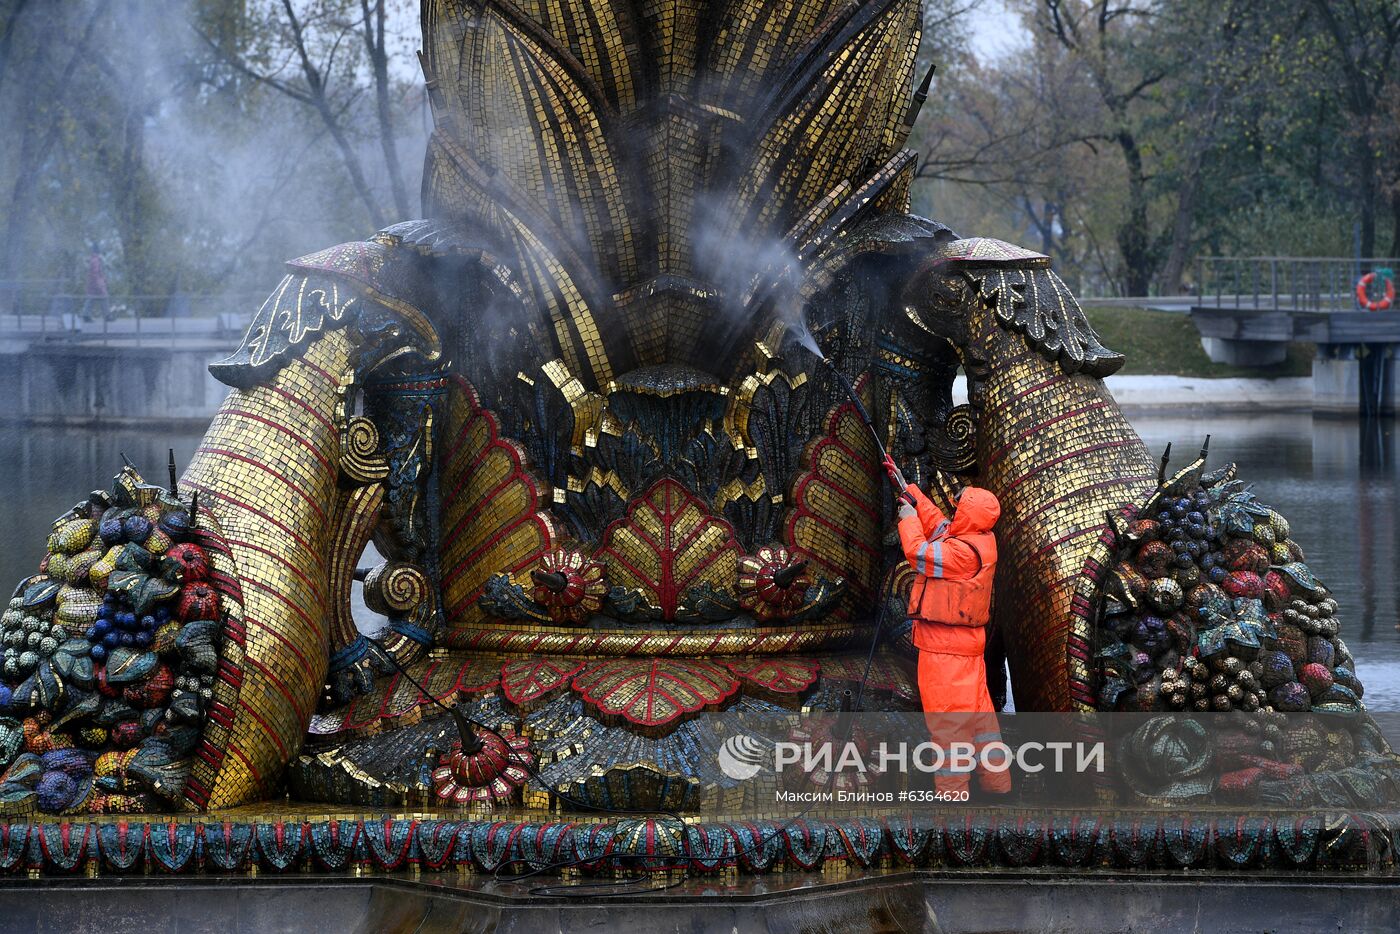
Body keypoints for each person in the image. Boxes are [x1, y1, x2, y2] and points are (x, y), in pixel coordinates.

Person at [884, 456, 1011, 798]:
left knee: (949, 726)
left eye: (959, 509)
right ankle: (998, 786)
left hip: (945, 651)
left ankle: (952, 797)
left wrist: (907, 519)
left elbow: (918, 553)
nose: (953, 513)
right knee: (982, 720)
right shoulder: (977, 538)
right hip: (964, 646)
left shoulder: (962, 554)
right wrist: (906, 486)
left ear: (968, 516)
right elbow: (939, 522)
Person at [81, 242, 110, 321]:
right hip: (97, 282)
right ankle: (107, 315)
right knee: (104, 298)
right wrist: (100, 283)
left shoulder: (92, 259)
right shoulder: (97, 260)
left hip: (92, 282)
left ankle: (85, 314)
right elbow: (96, 272)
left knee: (90, 299)